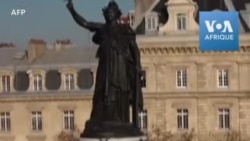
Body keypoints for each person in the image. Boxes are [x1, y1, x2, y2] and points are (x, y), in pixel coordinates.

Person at [66, 0, 143, 126]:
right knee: (102, 91)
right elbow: (85, 23)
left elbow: (134, 48)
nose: (110, 13)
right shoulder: (102, 28)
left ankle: (121, 120)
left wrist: (138, 65)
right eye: (108, 11)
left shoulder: (125, 29)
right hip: (106, 66)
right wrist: (72, 9)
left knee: (120, 92)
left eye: (112, 11)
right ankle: (101, 118)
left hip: (120, 65)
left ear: (117, 14)